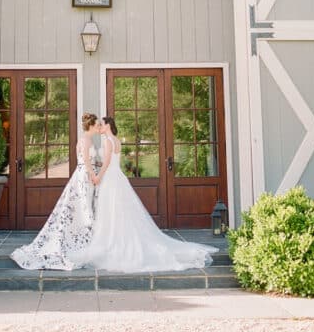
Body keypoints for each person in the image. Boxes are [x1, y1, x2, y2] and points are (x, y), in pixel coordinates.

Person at [70, 116, 218, 273]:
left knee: (111, 211)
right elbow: (112, 161)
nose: (100, 126)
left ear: (108, 126)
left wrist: (98, 176)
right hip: (118, 176)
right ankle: (117, 239)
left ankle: (113, 242)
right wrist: (97, 166)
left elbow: (106, 163)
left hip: (109, 179)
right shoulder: (117, 140)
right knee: (119, 211)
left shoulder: (107, 141)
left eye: (102, 124)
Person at [10, 112, 99, 270]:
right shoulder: (85, 140)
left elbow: (90, 160)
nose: (98, 127)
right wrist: (93, 175)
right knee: (84, 207)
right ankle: (85, 239)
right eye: (97, 124)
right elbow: (85, 160)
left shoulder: (88, 139)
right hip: (84, 177)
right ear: (91, 125)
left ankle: (86, 238)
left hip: (84, 175)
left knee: (82, 207)